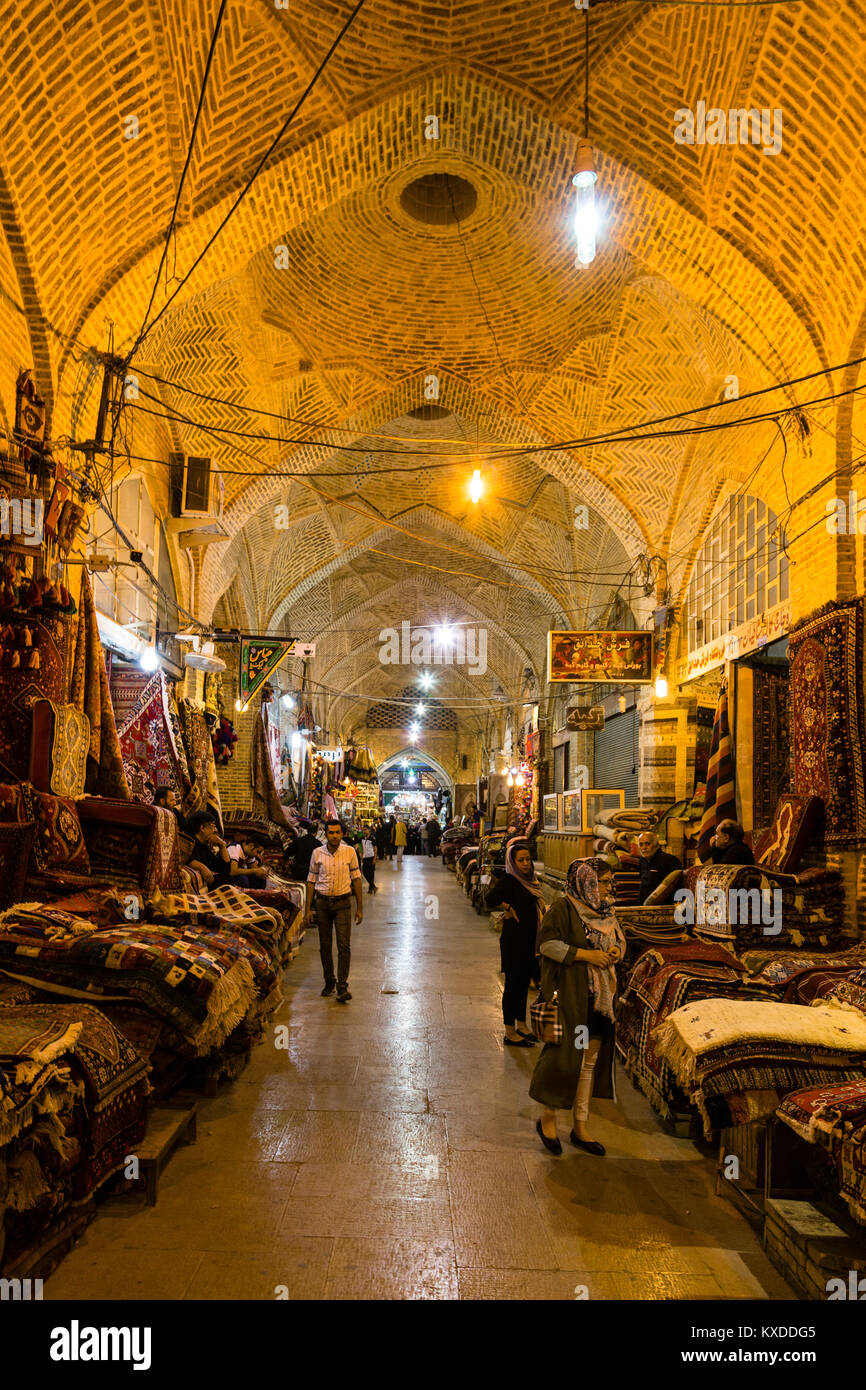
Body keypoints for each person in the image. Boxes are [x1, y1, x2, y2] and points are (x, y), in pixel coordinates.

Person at [529, 858, 625, 1157]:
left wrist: (613, 952)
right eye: (604, 882)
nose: (608, 888)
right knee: (564, 1059)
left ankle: (580, 1126)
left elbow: (620, 941)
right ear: (587, 883)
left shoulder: (606, 910)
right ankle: (548, 1117)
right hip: (571, 995)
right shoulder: (564, 908)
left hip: (600, 999)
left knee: (588, 1065)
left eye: (609, 882)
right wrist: (586, 955)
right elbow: (547, 945)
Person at [484, 837, 546, 1046]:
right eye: (521, 860)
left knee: (522, 986)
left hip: (530, 942)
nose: (526, 863)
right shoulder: (510, 881)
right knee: (512, 987)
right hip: (514, 942)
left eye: (528, 859)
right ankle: (510, 1032)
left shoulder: (531, 880)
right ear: (513, 863)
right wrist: (507, 908)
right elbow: (489, 899)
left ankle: (523, 1026)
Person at [305, 819, 363, 1003]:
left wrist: (360, 908)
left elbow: (356, 879)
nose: (335, 836)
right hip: (322, 904)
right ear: (326, 834)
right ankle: (329, 980)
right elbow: (311, 881)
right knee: (325, 945)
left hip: (343, 903)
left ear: (342, 834)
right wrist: (307, 908)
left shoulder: (350, 852)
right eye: (331, 833)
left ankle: (342, 985)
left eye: (338, 832)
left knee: (344, 946)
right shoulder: (317, 853)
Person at [187, 811, 268, 889]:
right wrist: (201, 866)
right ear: (202, 828)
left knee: (229, 879)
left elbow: (225, 869)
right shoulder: (188, 842)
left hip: (212, 878)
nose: (216, 830)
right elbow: (184, 858)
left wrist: (222, 846)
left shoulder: (204, 847)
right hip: (201, 878)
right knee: (237, 880)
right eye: (213, 826)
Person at [635, 831, 682, 903]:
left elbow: (676, 888)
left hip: (661, 905)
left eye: (647, 844)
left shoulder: (669, 860)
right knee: (614, 905)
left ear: (656, 845)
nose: (644, 848)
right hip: (642, 902)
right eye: (641, 845)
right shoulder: (642, 861)